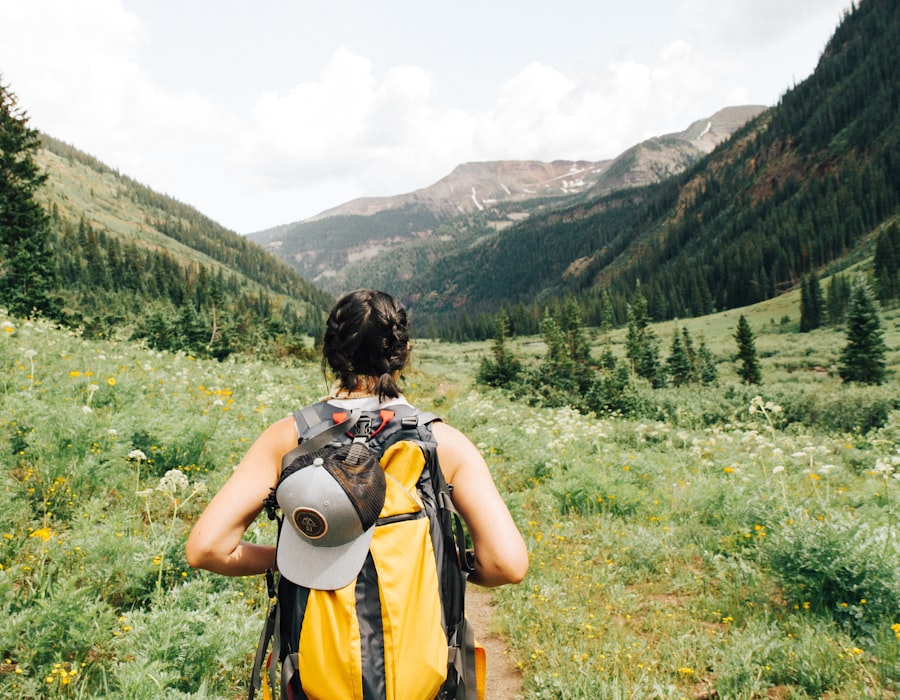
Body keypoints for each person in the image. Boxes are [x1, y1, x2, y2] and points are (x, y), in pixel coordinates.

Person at [185, 288, 528, 591]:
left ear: (331, 355)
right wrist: (440, 560)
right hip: (420, 661)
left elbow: (207, 549)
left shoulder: (289, 436)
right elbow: (506, 565)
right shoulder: (444, 442)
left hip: (313, 660)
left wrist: (290, 560)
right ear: (404, 354)